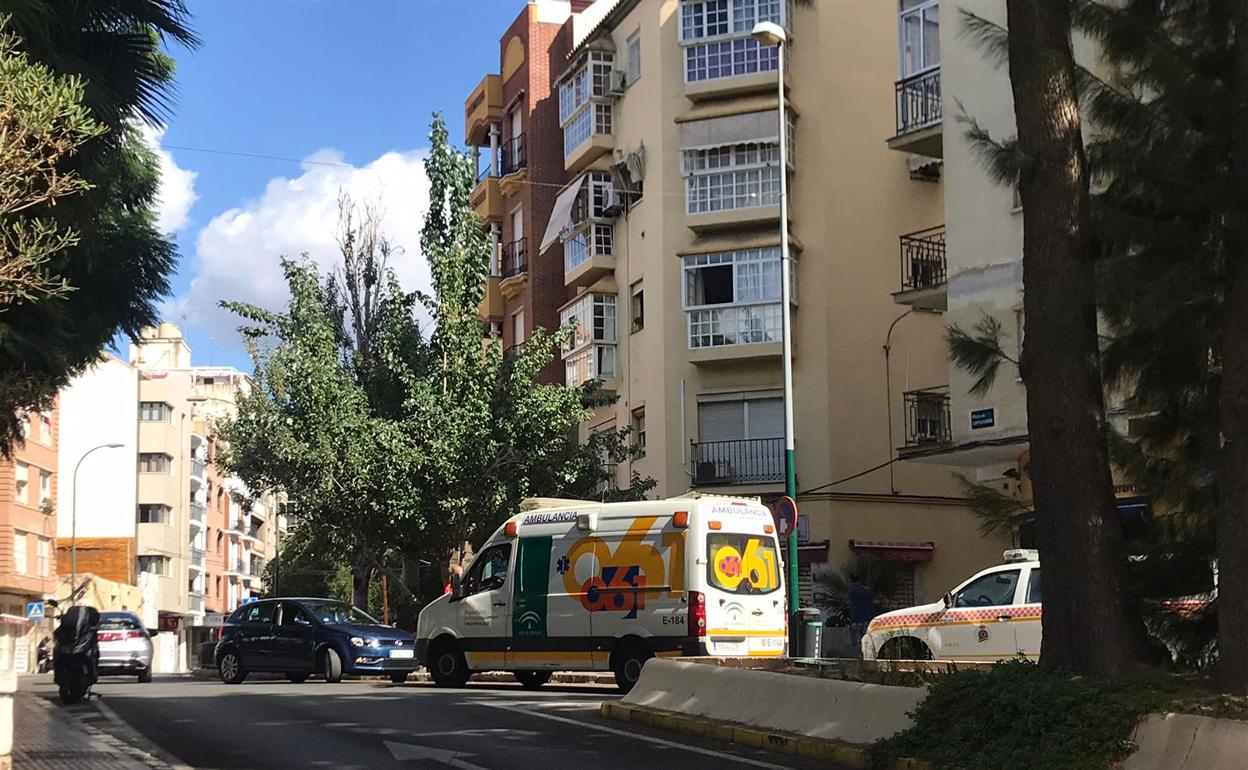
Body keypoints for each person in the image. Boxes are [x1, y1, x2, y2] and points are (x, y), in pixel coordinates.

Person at [847, 574, 877, 658]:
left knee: (856, 643)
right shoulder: (867, 590)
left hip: (857, 620)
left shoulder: (852, 591)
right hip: (867, 620)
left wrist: (853, 620)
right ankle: (866, 658)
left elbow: (853, 606)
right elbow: (871, 605)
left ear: (850, 580)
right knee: (866, 641)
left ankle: (857, 659)